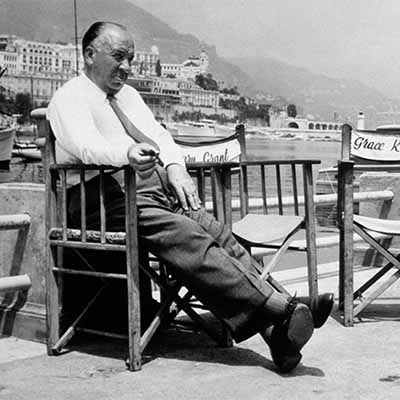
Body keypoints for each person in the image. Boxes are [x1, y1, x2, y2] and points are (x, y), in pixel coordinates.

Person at [47, 21, 334, 373]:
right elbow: (84, 145)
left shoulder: (129, 96)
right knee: (188, 237)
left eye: (130, 59)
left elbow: (159, 136)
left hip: (148, 193)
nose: (126, 66)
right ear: (90, 54)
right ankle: (281, 306)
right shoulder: (69, 97)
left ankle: (277, 333)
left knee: (216, 232)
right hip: (100, 200)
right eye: (119, 56)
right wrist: (126, 154)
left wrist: (175, 167)